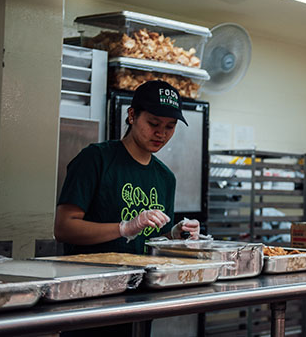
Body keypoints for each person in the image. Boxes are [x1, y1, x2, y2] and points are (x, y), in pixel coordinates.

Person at [54, 80, 200, 336]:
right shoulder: (96, 159)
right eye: (153, 123)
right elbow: (64, 227)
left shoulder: (165, 178)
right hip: (89, 297)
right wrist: (124, 228)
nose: (161, 134)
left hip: (140, 297)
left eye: (170, 127)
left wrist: (176, 236)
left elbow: (152, 241)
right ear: (132, 115)